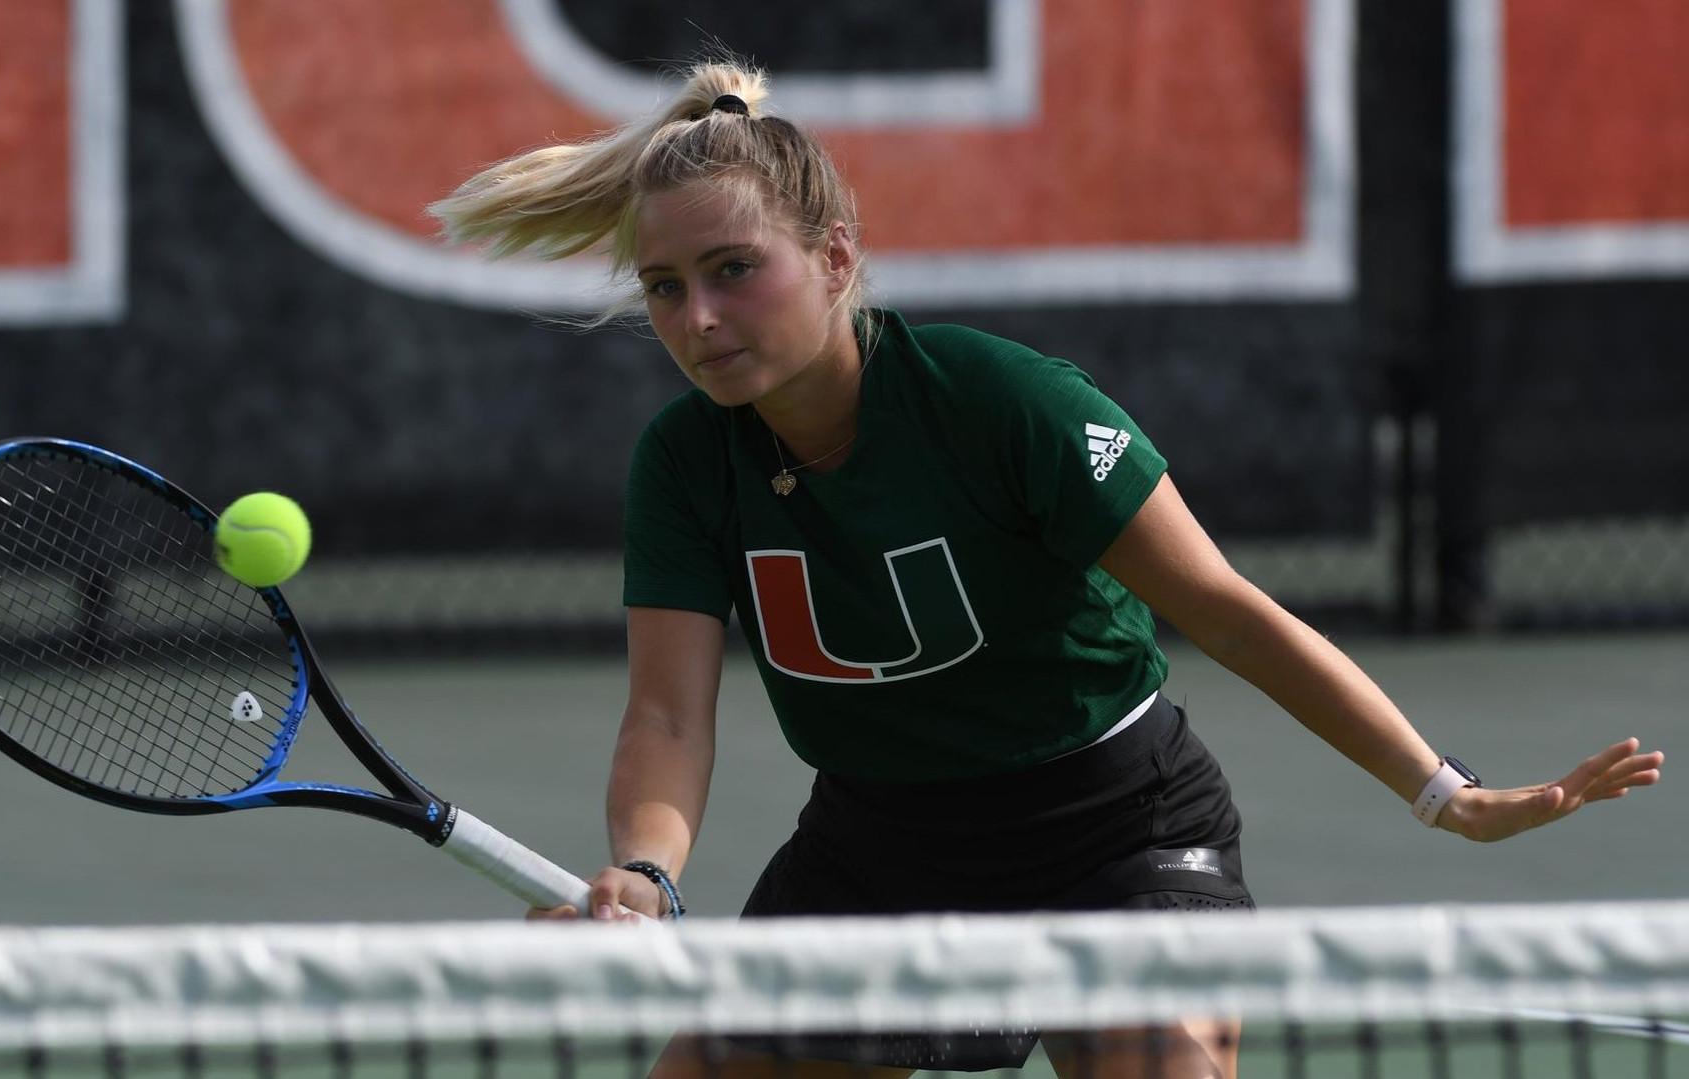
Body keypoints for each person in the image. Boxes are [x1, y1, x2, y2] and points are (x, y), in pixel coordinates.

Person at [430, 60, 1664, 1079]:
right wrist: (645, 871)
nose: (697, 318)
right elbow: (665, 716)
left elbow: (1230, 615)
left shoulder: (1002, 404)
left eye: (734, 270)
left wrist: (1451, 793)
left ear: (838, 259)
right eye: (664, 288)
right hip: (878, 851)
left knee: (1163, 1067)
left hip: (1116, 835)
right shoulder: (685, 463)